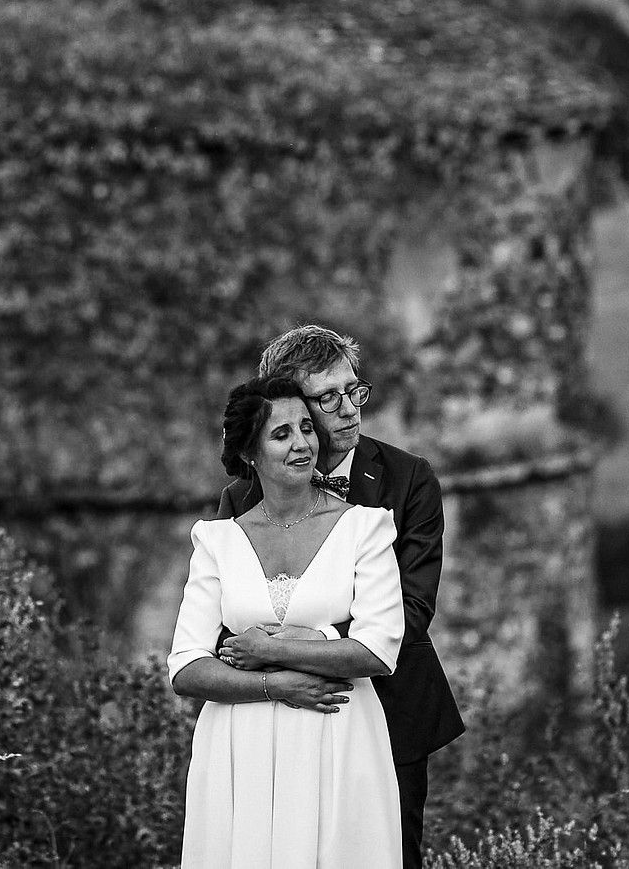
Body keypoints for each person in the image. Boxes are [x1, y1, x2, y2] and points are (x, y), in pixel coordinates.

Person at [215, 326, 465, 869]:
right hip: (281, 717)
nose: (351, 409)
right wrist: (273, 682)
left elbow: (412, 613)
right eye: (328, 398)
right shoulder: (241, 497)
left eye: (355, 390)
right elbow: (224, 631)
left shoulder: (409, 480)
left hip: (392, 712)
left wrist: (299, 643)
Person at [170, 376, 406, 869]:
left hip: (338, 736)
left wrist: (268, 649)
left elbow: (377, 652)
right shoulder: (217, 541)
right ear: (250, 454)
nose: (302, 443)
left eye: (306, 428)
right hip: (239, 743)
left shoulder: (365, 528)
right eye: (281, 434)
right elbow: (186, 668)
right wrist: (274, 685)